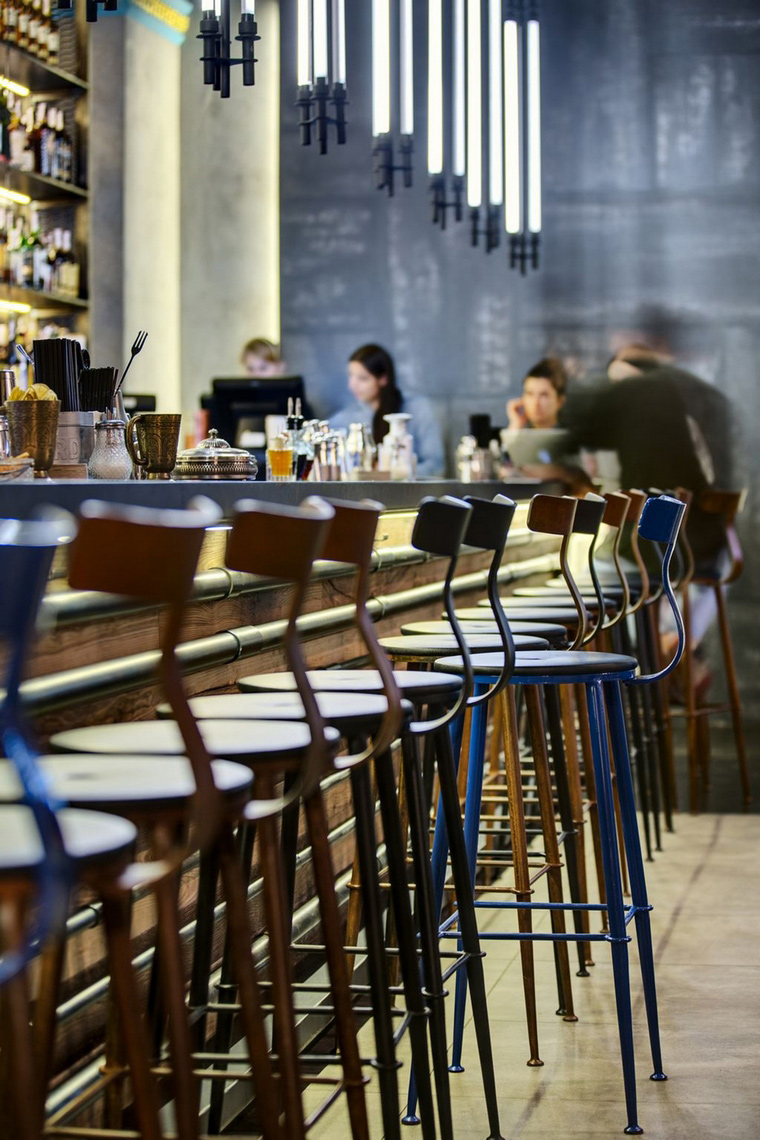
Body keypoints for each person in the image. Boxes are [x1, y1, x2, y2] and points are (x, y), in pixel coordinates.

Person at [330, 344, 445, 477]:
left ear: (383, 379)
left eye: (362, 378)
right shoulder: (349, 417)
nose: (352, 385)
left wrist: (396, 474)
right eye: (350, 376)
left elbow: (437, 466)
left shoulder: (416, 409)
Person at [506, 356, 568, 430]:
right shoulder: (520, 432)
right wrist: (516, 425)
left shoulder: (572, 437)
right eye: (530, 394)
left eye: (544, 395)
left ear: (560, 401)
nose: (536, 403)